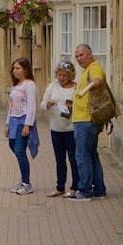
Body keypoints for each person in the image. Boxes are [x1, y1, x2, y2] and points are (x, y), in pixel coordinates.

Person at [69, 44, 107, 202]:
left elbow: (98, 80)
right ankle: (99, 190)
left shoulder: (94, 67)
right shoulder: (86, 71)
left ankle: (84, 191)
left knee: (82, 156)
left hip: (85, 121)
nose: (79, 59)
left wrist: (89, 87)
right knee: (91, 155)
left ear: (90, 54)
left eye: (81, 55)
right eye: (77, 56)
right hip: (83, 120)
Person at [41, 60, 80, 198]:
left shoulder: (76, 88)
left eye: (64, 75)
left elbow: (83, 106)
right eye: (59, 75)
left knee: (73, 159)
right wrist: (48, 104)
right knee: (59, 159)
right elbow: (42, 104)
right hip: (56, 128)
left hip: (71, 128)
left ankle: (75, 187)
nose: (61, 78)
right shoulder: (52, 86)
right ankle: (60, 187)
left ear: (70, 75)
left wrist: (72, 106)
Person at [5, 57, 39, 195]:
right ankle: (23, 179)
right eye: (14, 68)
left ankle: (26, 183)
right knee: (13, 145)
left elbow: (31, 105)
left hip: (23, 119)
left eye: (18, 68)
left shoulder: (29, 85)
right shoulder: (15, 85)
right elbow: (11, 106)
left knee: (20, 150)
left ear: (25, 69)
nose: (15, 71)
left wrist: (27, 125)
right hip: (13, 119)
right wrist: (7, 123)